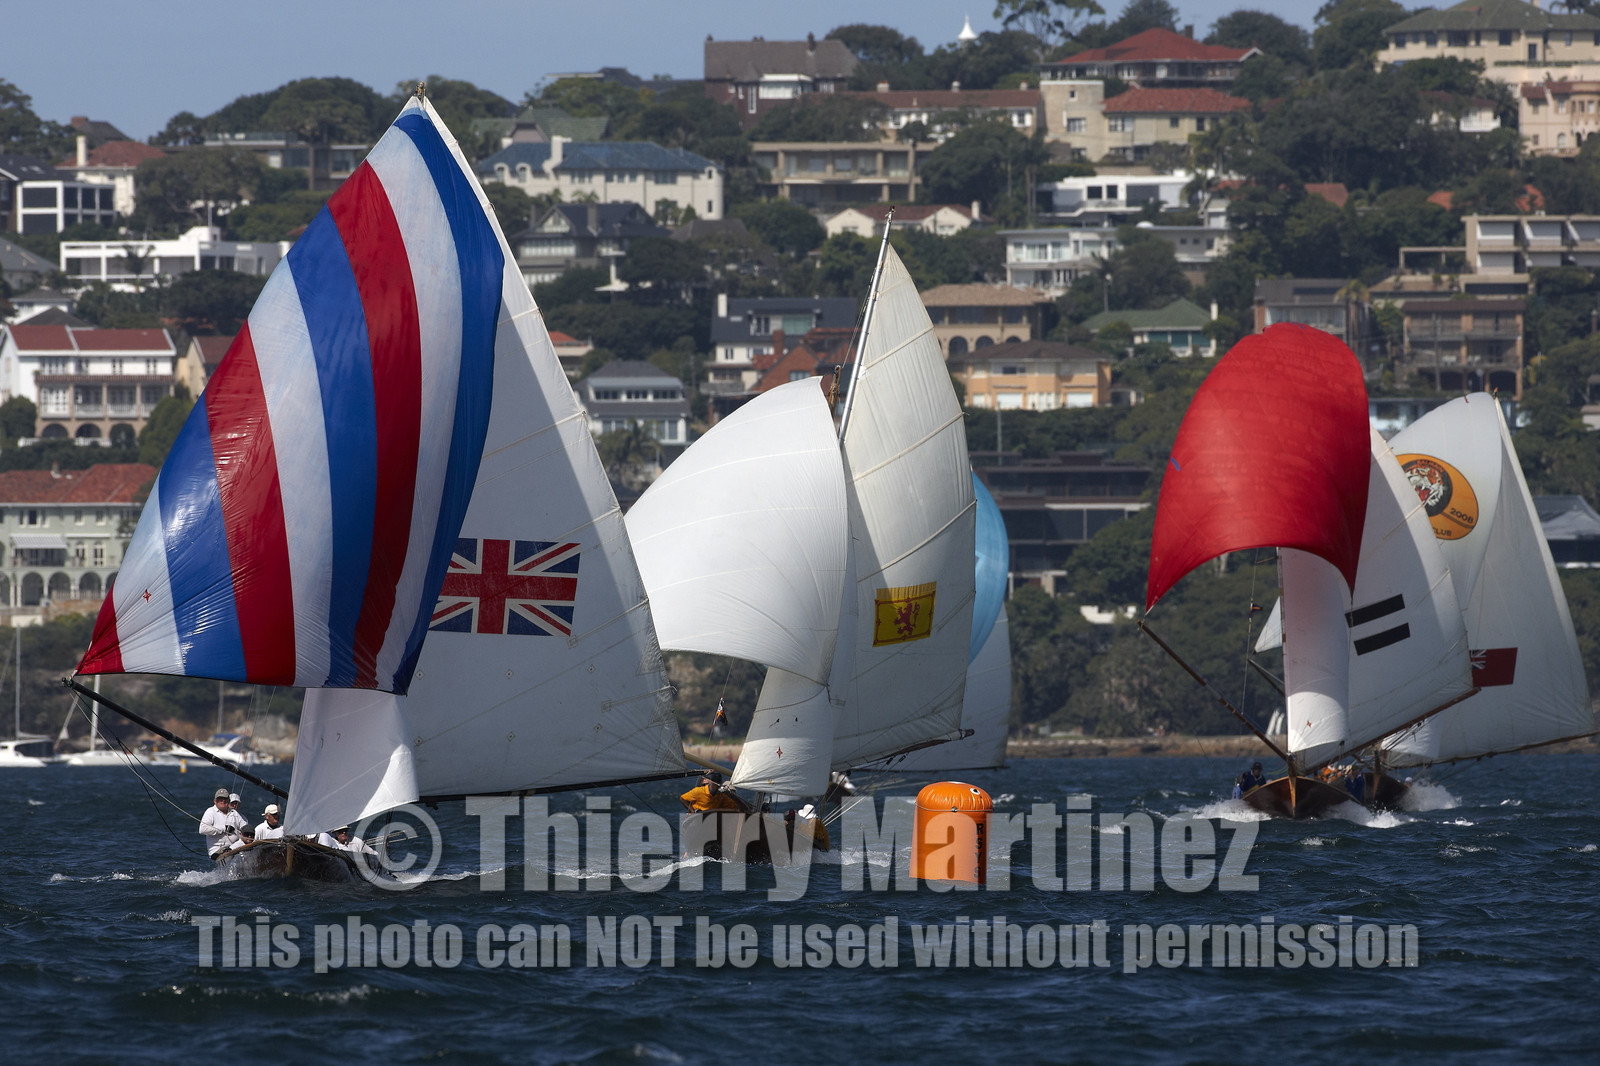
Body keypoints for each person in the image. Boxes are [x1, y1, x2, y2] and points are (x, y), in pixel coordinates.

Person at [199, 787, 248, 858]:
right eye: (220, 799)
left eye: (225, 799)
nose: (223, 801)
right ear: (215, 801)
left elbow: (245, 828)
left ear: (228, 801)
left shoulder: (234, 813)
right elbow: (202, 829)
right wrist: (224, 828)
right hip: (217, 850)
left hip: (234, 848)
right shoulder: (210, 811)